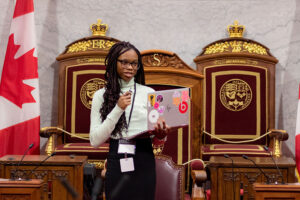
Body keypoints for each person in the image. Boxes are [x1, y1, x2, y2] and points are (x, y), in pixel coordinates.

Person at [90, 41, 168, 200]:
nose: (130, 67)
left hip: (144, 156)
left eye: (134, 63)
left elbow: (158, 142)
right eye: (124, 62)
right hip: (118, 155)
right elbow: (95, 141)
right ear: (114, 62)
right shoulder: (100, 95)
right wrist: (118, 108)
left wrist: (161, 134)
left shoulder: (149, 93)